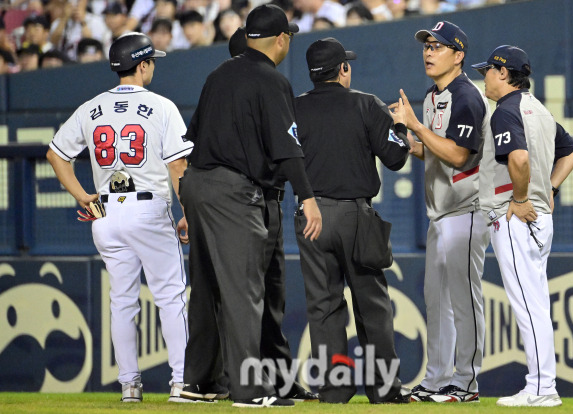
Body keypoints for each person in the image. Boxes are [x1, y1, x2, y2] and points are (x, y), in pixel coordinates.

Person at [178, 4, 322, 408]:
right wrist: (308, 197)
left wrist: (190, 202)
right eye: (288, 37)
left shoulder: (217, 75)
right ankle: (248, 389)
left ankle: (200, 383)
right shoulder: (270, 80)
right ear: (281, 39)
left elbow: (193, 138)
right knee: (245, 290)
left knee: (206, 289)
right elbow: (288, 148)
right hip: (232, 192)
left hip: (198, 185)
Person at [46, 32, 191, 403]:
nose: (153, 66)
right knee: (170, 297)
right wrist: (188, 211)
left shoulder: (91, 107)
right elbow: (177, 165)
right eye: (151, 61)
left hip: (107, 211)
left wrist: (83, 197)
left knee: (122, 301)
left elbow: (55, 155)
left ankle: (129, 386)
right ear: (142, 65)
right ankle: (180, 382)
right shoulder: (161, 107)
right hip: (148, 208)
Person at [294, 37, 411, 404]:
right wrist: (401, 126)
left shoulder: (293, 109)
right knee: (372, 305)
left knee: (324, 307)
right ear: (342, 69)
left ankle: (333, 390)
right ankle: (385, 390)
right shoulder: (365, 104)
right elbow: (395, 158)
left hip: (310, 216)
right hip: (355, 216)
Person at [471, 45, 573, 407]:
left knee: (528, 305)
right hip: (538, 216)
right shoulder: (539, 110)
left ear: (504, 73)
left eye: (488, 70)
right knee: (534, 303)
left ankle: (541, 388)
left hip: (517, 215)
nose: (484, 75)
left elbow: (517, 157)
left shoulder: (506, 109)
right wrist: (549, 187)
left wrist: (520, 198)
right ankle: (542, 385)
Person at [396, 20, 491, 403]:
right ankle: (436, 379)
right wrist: (407, 141)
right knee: (436, 302)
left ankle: (466, 382)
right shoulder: (430, 96)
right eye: (426, 46)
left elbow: (458, 155)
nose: (429, 52)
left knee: (464, 301)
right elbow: (434, 150)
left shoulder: (467, 96)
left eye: (438, 46)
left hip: (467, 210)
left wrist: (417, 126)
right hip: (441, 213)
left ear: (459, 54)